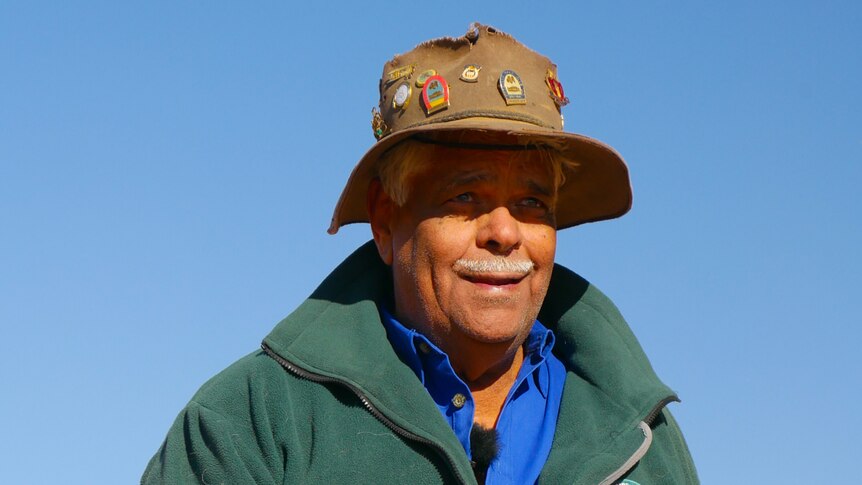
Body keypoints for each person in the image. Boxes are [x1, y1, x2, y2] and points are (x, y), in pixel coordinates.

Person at [142, 23, 698, 484]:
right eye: (465, 197)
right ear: (386, 221)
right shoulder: (255, 419)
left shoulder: (643, 439)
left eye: (532, 202)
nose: (505, 231)